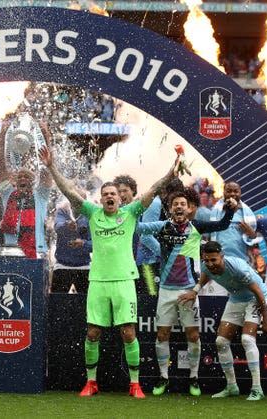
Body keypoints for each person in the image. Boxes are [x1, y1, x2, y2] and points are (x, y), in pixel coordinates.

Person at [39, 144, 179, 399]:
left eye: (114, 194)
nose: (111, 197)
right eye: (106, 195)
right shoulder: (92, 213)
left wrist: (172, 169)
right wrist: (51, 167)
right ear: (101, 199)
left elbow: (155, 188)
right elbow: (69, 191)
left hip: (125, 280)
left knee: (128, 333)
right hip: (99, 281)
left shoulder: (131, 212)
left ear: (119, 197)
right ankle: (91, 382)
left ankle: (135, 384)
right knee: (93, 333)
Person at [136, 191, 237, 397]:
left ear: (189, 208)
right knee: (162, 334)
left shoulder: (196, 226)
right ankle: (163, 377)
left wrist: (230, 210)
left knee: (193, 335)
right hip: (166, 290)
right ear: (171, 209)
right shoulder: (163, 226)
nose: (179, 207)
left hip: (188, 290)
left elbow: (222, 225)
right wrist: (133, 212)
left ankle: (194, 377)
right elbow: (139, 230)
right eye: (175, 204)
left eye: (183, 204)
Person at [179, 241, 267, 401]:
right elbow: (205, 276)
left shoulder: (237, 267)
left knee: (247, 339)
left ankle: (257, 389)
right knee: (221, 341)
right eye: (206, 260)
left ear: (222, 257)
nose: (210, 264)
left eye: (214, 260)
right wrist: (195, 291)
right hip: (236, 298)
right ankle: (232, 386)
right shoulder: (206, 266)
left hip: (255, 298)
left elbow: (258, 291)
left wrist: (266, 319)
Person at [0, 120, 52, 259]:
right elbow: (1, 168)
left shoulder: (40, 195)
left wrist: (45, 136)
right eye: (19, 177)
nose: (22, 179)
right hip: (11, 251)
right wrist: (3, 136)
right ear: (14, 181)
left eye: (26, 177)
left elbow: (48, 169)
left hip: (36, 252)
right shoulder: (8, 194)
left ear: (33, 181)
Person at [51, 195, 91, 293]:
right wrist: (67, 225)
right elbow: (57, 227)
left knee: (86, 305)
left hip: (84, 267)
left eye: (79, 200)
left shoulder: (90, 215)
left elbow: (97, 244)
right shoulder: (63, 211)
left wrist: (83, 243)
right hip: (62, 266)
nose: (76, 203)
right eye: (73, 199)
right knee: (57, 303)